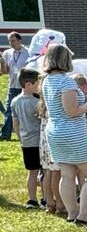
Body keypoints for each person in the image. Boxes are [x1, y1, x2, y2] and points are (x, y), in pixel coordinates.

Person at [40, 44, 87, 226]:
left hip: (55, 132)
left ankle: (72, 213)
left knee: (67, 174)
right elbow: (72, 111)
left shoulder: (47, 80)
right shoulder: (66, 82)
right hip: (72, 132)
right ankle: (84, 215)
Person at [10, 67, 41, 206]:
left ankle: (32, 199)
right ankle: (46, 198)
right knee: (45, 172)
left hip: (26, 142)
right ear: (28, 84)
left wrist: (20, 138)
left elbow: (15, 123)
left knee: (32, 172)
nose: (39, 87)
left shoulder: (15, 101)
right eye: (37, 84)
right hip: (39, 141)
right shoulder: (36, 102)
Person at [1, 31, 31, 141]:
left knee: (26, 111)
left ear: (19, 41)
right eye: (9, 41)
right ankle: (5, 134)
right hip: (13, 86)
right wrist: (2, 63)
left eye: (13, 40)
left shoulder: (28, 52)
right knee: (9, 110)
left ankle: (28, 133)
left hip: (25, 87)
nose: (11, 43)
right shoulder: (7, 53)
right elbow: (4, 71)